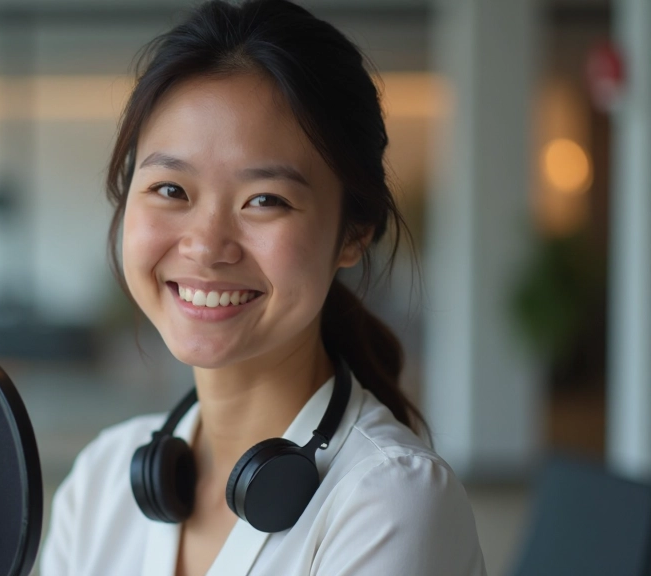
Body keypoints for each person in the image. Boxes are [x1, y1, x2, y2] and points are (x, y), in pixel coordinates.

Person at [40, 1, 487, 574]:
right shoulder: (102, 479)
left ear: (353, 233)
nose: (205, 244)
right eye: (171, 189)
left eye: (265, 200)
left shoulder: (390, 501)